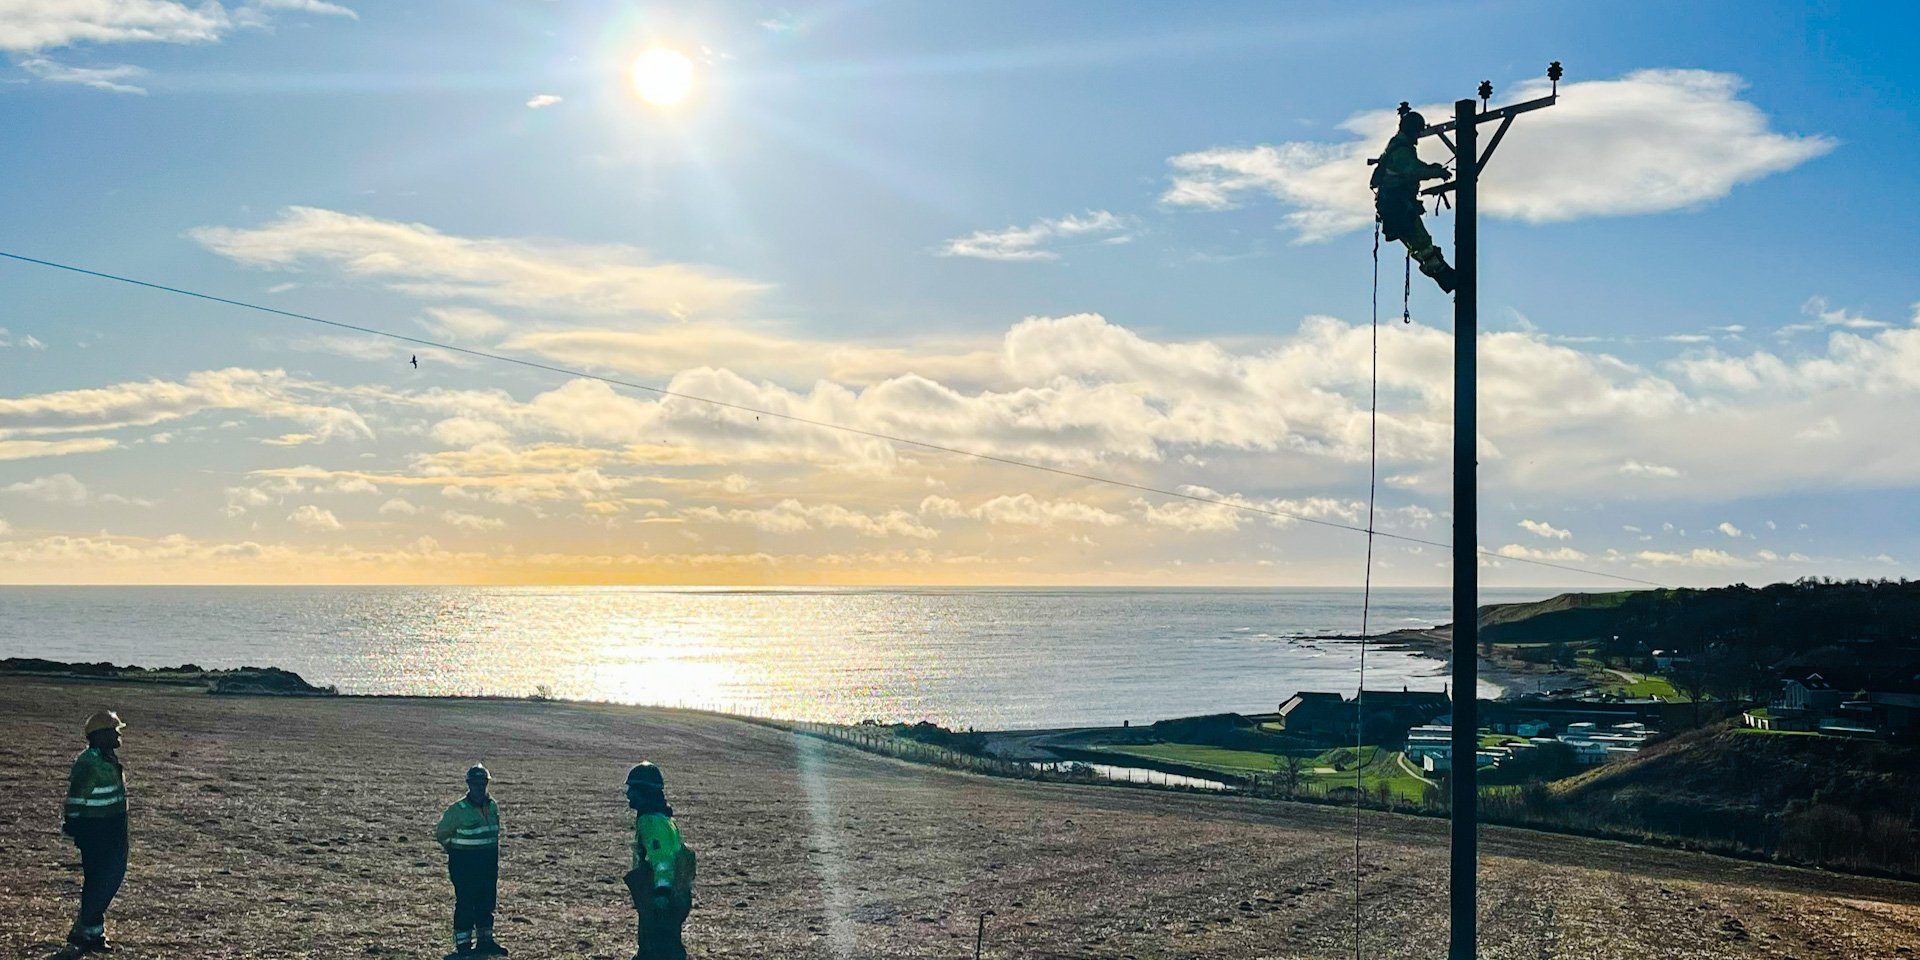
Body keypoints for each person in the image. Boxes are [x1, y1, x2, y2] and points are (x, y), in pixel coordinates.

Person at [62, 710, 130, 955]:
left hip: (114, 827)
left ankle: (90, 930)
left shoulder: (106, 758)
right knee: (101, 881)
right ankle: (88, 932)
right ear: (99, 735)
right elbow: (76, 799)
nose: (118, 735)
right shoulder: (88, 763)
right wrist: (75, 825)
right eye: (113, 731)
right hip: (96, 830)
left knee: (109, 878)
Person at [1370, 105, 1457, 293]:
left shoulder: (1397, 147)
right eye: (1418, 132)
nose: (1418, 137)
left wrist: (1431, 168)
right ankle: (1448, 278)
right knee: (1422, 244)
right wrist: (1436, 172)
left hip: (1395, 207)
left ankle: (1447, 278)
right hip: (1398, 207)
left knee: (1421, 245)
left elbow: (1413, 167)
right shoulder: (1401, 150)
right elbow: (1412, 171)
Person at [623, 762, 695, 960]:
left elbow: (662, 860)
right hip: (676, 894)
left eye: (633, 789)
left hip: (662, 897)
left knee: (656, 949)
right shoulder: (663, 819)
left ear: (644, 792)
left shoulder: (651, 822)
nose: (628, 794)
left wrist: (661, 893)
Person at [434, 764, 506, 956]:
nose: (479, 787)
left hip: (488, 863)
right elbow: (442, 834)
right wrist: (457, 852)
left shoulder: (492, 806)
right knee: (466, 903)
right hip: (465, 864)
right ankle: (463, 946)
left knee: (486, 902)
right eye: (475, 783)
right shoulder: (458, 810)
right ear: (469, 784)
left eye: (482, 783)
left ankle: (485, 942)